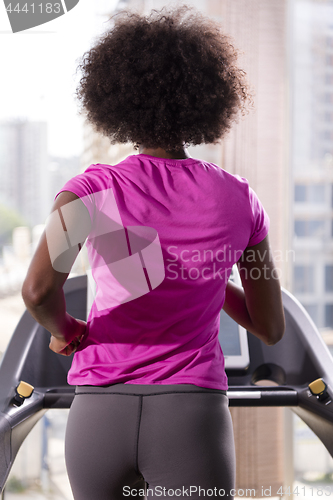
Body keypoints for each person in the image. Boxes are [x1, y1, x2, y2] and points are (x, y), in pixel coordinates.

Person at [22, 5, 285, 499]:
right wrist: (208, 276)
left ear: (115, 98)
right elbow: (269, 326)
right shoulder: (240, 198)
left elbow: (37, 291)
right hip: (192, 415)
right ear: (206, 98)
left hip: (99, 414)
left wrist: (66, 332)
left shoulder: (89, 190)